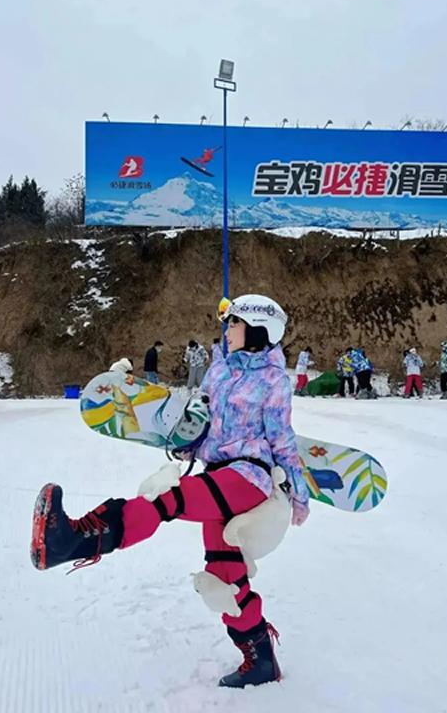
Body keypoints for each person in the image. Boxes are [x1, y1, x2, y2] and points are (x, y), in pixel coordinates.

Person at [30, 293, 310, 688]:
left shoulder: (274, 380)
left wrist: (299, 494)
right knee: (225, 578)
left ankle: (75, 539)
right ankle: (261, 659)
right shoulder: (218, 370)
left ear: (258, 330)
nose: (227, 330)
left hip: (249, 476)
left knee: (167, 497)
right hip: (217, 473)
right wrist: (187, 442)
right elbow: (204, 423)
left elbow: (282, 440)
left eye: (234, 323)